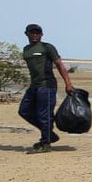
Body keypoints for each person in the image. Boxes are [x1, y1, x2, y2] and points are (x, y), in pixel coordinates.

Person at [19, 23, 74, 153]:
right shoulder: (26, 49)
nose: (34, 35)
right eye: (32, 32)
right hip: (34, 86)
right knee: (24, 111)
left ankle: (45, 143)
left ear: (41, 34)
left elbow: (59, 65)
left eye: (37, 33)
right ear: (26, 34)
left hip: (47, 86)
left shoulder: (47, 47)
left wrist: (68, 83)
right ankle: (49, 134)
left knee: (44, 114)